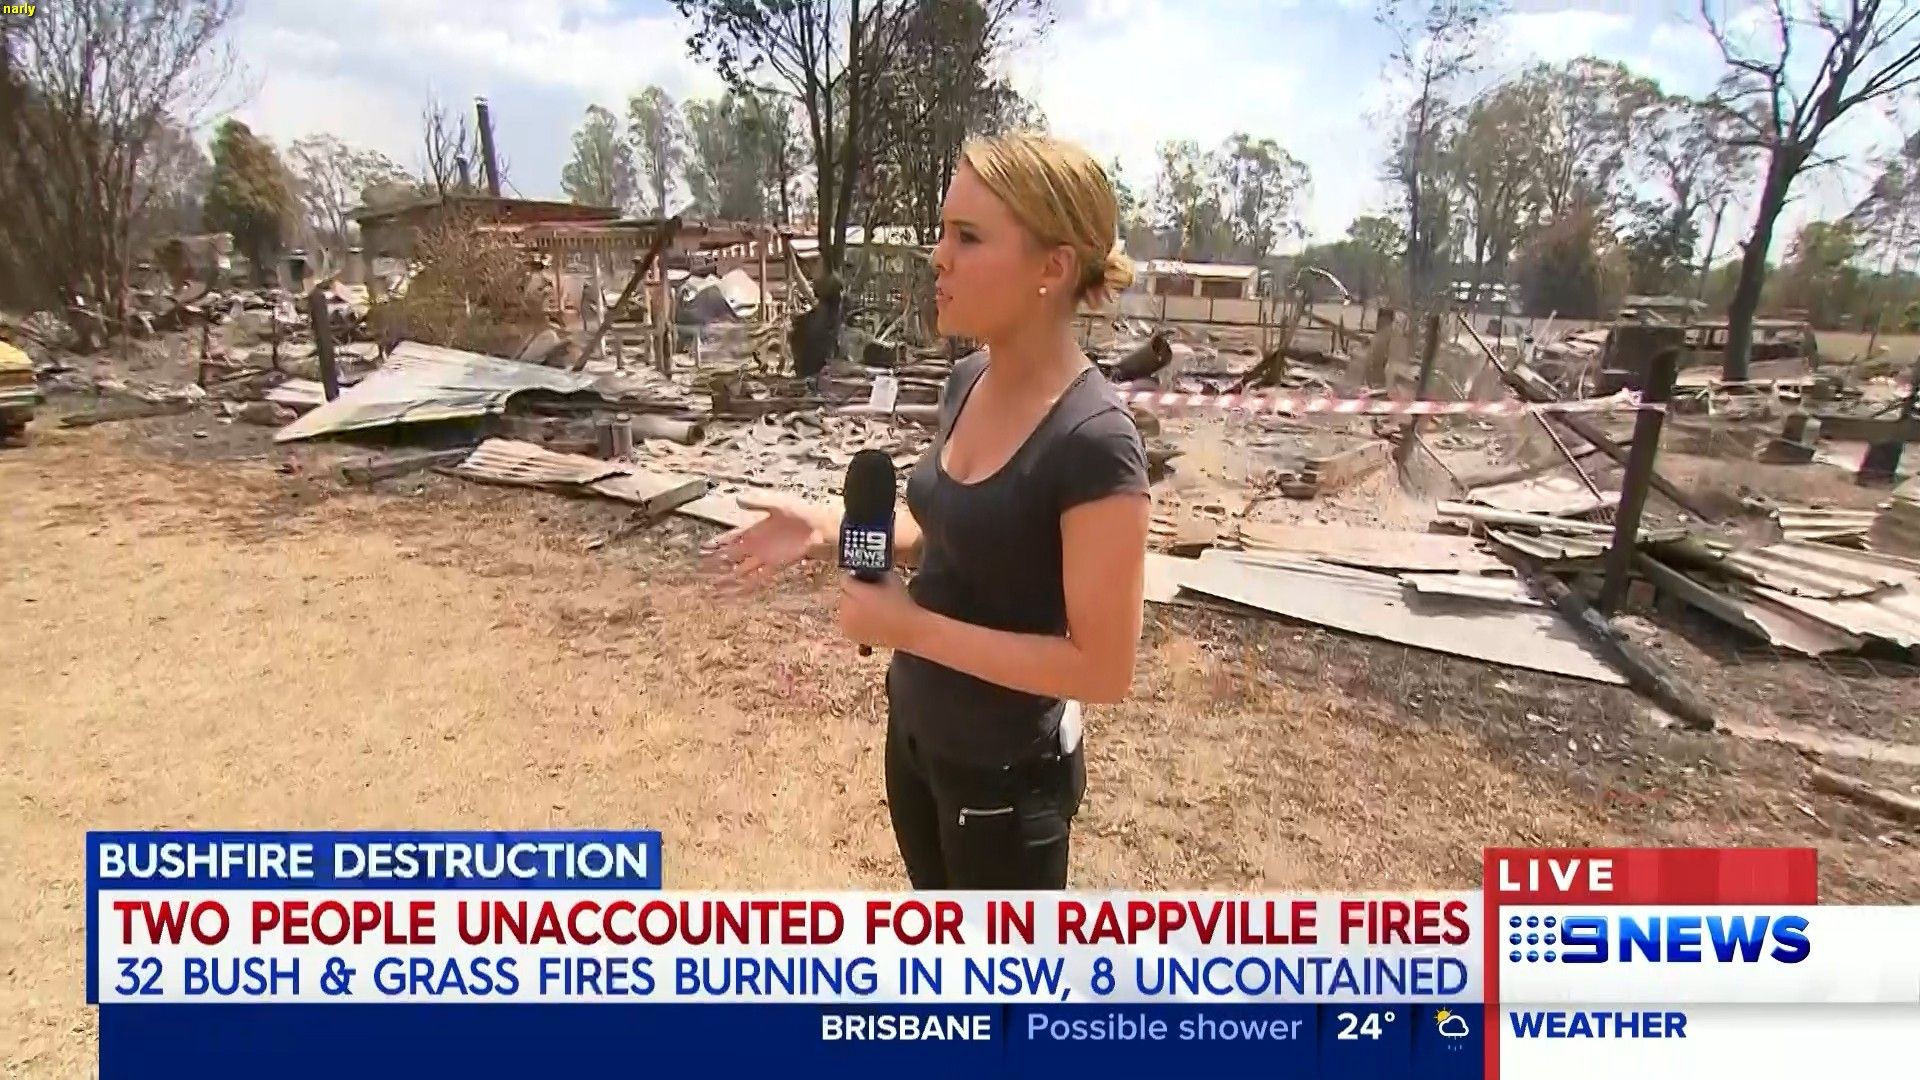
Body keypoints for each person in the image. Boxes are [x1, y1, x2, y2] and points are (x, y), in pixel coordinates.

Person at [706, 132, 1150, 890]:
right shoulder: (967, 380)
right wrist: (827, 529)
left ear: (1052, 268)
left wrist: (910, 629)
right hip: (915, 740)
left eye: (967, 237)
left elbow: (1102, 669)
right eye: (943, 232)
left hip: (1004, 785)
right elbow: (951, 532)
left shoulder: (1096, 441)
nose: (937, 257)